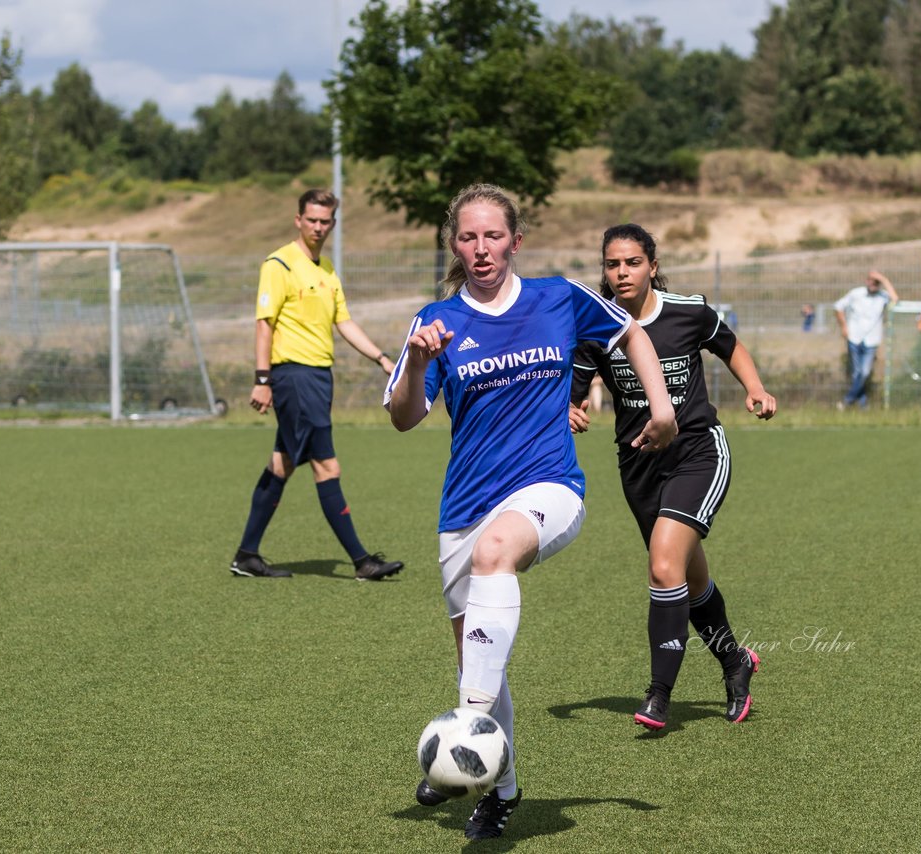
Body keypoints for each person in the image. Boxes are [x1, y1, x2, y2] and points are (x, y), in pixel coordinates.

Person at [385, 185, 677, 841]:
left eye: (493, 236)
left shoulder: (558, 297)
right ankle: (503, 791)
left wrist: (662, 409)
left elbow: (632, 333)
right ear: (453, 245)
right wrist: (417, 363)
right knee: (477, 659)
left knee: (496, 559)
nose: (480, 248)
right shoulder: (435, 321)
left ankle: (461, 732)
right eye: (467, 237)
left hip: (550, 488)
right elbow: (404, 417)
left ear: (515, 241)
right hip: (464, 505)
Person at [569, 224, 776, 732]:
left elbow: (731, 346)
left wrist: (755, 388)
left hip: (697, 453)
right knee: (686, 577)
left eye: (633, 262)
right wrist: (568, 411)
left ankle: (659, 694)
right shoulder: (595, 325)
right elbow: (571, 391)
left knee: (664, 567)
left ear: (653, 266)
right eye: (613, 264)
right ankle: (736, 662)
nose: (622, 273)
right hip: (638, 465)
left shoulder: (689, 310)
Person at [230, 189, 405, 580]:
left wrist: (380, 358)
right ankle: (362, 562)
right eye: (312, 220)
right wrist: (262, 380)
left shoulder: (326, 269)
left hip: (318, 378)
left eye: (325, 221)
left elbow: (344, 322)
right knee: (327, 466)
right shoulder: (279, 264)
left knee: (283, 462)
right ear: (298, 220)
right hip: (294, 376)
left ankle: (246, 555)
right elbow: (264, 325)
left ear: (333, 224)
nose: (318, 227)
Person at [834, 269, 899, 409]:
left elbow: (896, 300)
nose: (873, 285)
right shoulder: (856, 293)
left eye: (876, 283)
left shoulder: (883, 296)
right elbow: (838, 307)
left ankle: (847, 400)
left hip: (872, 340)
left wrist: (884, 279)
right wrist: (844, 327)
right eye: (871, 281)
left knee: (864, 372)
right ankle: (863, 405)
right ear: (866, 281)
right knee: (857, 373)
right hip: (854, 338)